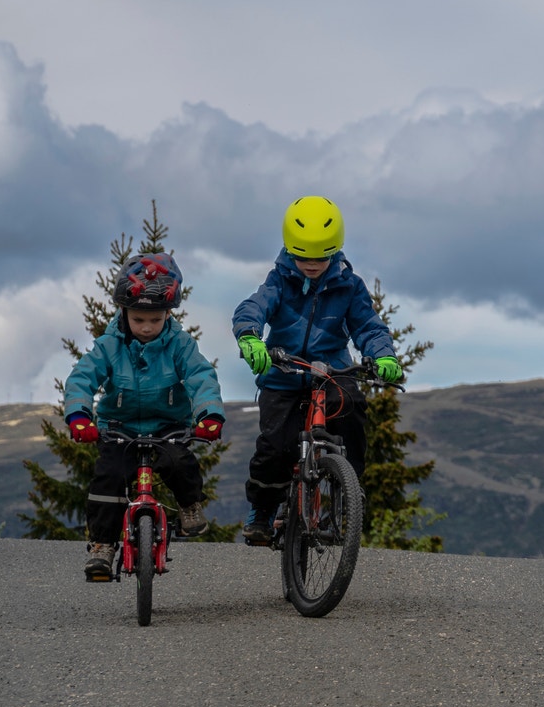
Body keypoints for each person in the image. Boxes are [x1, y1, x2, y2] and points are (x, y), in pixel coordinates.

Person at [232, 195, 404, 546]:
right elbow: (253, 308)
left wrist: (384, 357)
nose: (311, 264)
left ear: (335, 250)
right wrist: (250, 337)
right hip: (283, 372)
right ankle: (262, 510)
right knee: (274, 447)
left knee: (352, 414)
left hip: (332, 373)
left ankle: (349, 491)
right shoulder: (278, 281)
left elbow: (368, 327)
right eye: (303, 256)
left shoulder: (349, 285)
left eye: (320, 257)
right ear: (288, 249)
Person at [64, 252, 226, 582]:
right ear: (123, 312)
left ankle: (189, 506)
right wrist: (79, 416)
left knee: (180, 463)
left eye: (156, 319)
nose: (147, 327)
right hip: (119, 428)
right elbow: (82, 378)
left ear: (169, 313)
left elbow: (201, 377)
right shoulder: (109, 345)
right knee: (109, 479)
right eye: (139, 319)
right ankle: (102, 546)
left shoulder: (180, 344)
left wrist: (209, 414)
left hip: (167, 426)